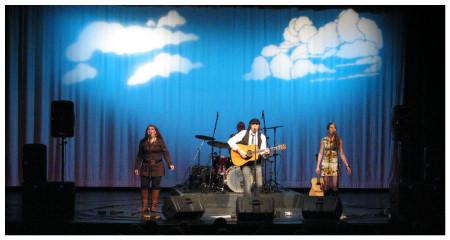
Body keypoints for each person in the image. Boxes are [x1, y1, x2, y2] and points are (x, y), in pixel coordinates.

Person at [134, 125, 175, 212]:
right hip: (145, 167)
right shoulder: (143, 141)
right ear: (146, 131)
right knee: (144, 186)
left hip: (157, 167)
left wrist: (170, 164)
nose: (150, 130)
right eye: (148, 129)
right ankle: (144, 206)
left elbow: (165, 153)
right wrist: (137, 167)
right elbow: (139, 155)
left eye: (152, 129)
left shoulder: (160, 141)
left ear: (155, 131)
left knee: (155, 186)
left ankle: (153, 207)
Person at [228, 118, 270, 197]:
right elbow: (230, 141)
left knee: (260, 184)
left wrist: (266, 153)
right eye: (253, 124)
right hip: (245, 163)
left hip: (256, 163)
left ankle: (254, 199)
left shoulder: (262, 137)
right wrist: (239, 151)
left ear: (259, 126)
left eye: (256, 124)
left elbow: (262, 153)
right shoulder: (244, 133)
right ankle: (248, 204)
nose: (255, 125)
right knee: (247, 186)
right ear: (250, 126)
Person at [315, 122, 351, 196]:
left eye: (334, 127)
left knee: (334, 186)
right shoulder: (324, 140)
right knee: (326, 185)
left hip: (334, 163)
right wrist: (318, 166)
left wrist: (347, 166)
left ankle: (334, 203)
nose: (333, 129)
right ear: (328, 130)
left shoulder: (338, 140)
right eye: (331, 127)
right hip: (326, 163)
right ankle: (326, 203)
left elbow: (341, 153)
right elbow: (321, 153)